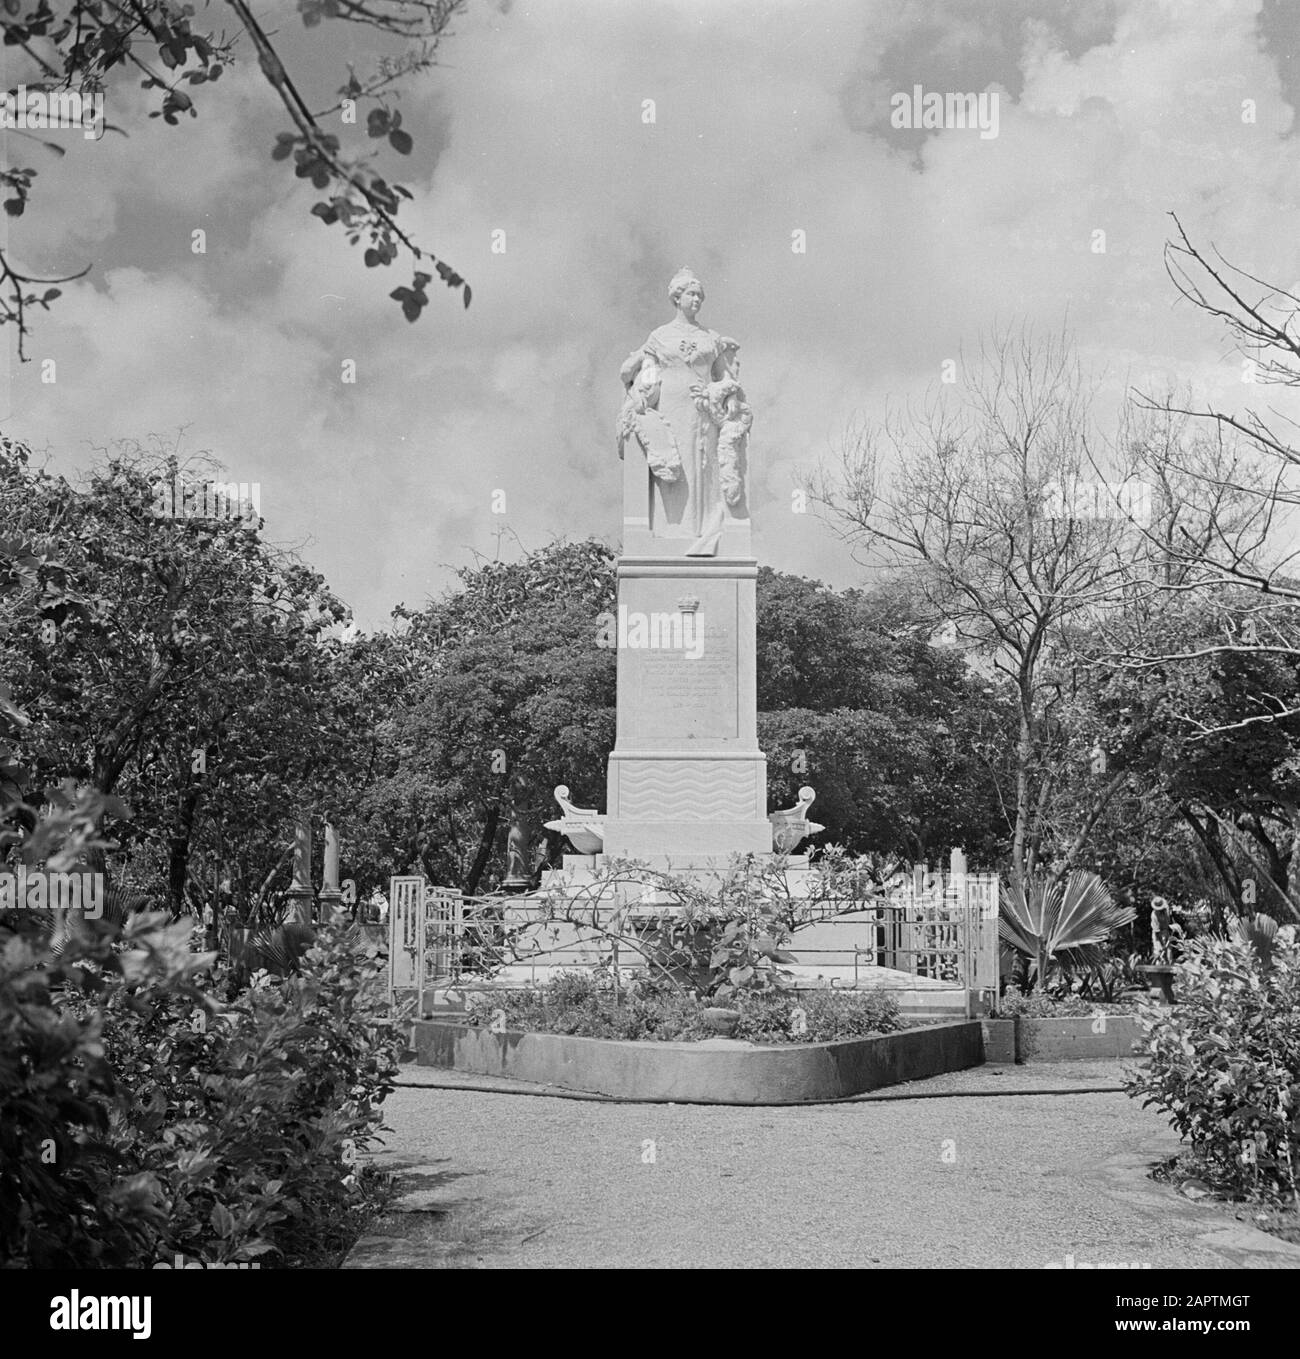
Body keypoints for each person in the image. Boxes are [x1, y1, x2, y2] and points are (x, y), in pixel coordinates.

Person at [617, 267, 750, 555]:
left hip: (701, 408)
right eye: (691, 294)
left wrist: (724, 394)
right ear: (677, 297)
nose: (696, 300)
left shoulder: (710, 338)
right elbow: (650, 371)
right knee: (672, 463)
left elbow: (725, 376)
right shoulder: (660, 336)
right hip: (669, 405)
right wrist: (642, 394)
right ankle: (673, 530)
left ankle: (700, 531)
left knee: (701, 466)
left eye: (700, 295)